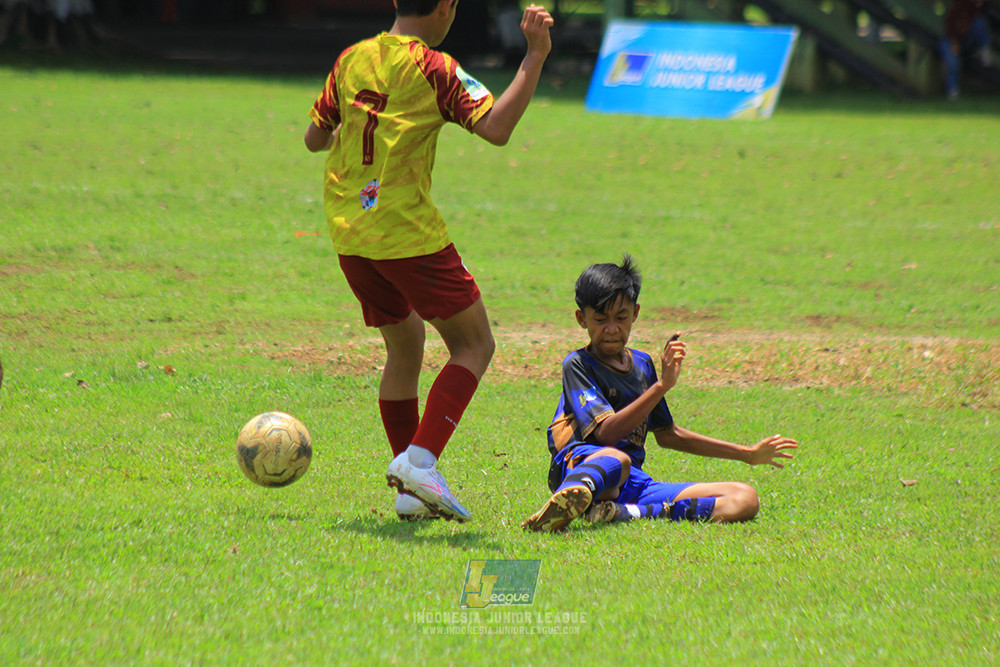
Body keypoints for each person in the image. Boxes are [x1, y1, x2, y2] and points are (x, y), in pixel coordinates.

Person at [304, 1, 554, 522]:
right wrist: (534, 55)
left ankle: (408, 490)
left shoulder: (351, 58)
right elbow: (497, 127)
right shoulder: (434, 68)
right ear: (445, 7)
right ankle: (419, 460)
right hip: (406, 234)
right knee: (474, 343)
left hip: (350, 233)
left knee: (405, 345)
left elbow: (314, 137)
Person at [522, 255, 798, 533]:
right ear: (582, 319)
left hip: (631, 482)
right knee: (618, 458)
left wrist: (747, 453)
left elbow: (668, 435)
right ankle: (574, 495)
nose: (612, 328)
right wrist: (661, 386)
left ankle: (624, 513)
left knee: (743, 498)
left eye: (621, 317)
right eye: (600, 319)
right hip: (583, 465)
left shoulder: (642, 365)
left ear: (636, 313)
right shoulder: (578, 364)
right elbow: (606, 434)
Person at [940, 0, 992, 100]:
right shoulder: (960, 6)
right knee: (953, 63)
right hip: (950, 40)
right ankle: (952, 92)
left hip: (966, 40)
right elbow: (950, 25)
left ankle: (985, 51)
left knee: (980, 23)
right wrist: (954, 42)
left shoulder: (977, 11)